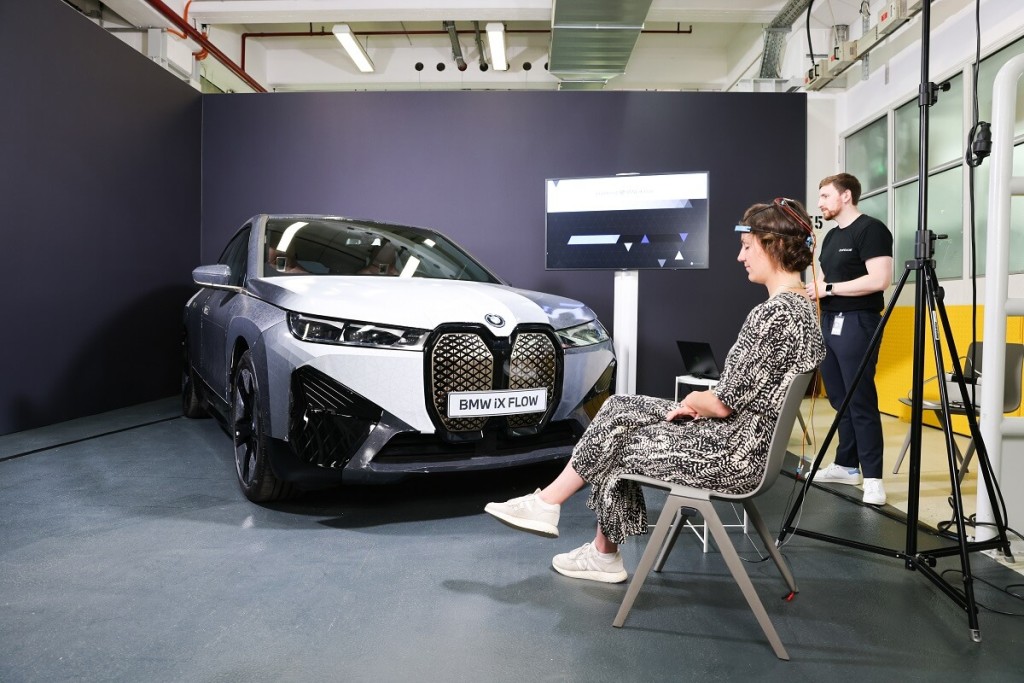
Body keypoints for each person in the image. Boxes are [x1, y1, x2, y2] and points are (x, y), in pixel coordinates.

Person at [484, 198, 826, 583]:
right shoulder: (801, 310)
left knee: (617, 441)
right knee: (619, 407)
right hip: (745, 442)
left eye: (747, 246)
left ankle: (591, 543)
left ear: (773, 245)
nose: (740, 256)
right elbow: (742, 395)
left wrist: (694, 402)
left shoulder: (773, 314)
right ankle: (553, 509)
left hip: (733, 455)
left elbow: (721, 404)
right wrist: (702, 405)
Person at [806, 173, 893, 506]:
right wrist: (814, 290)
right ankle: (846, 465)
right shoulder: (831, 237)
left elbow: (880, 279)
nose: (820, 203)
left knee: (860, 399)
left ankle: (873, 478)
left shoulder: (871, 229)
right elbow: (824, 279)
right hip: (829, 320)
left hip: (858, 321)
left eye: (825, 196)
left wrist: (828, 289)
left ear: (846, 196)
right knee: (840, 398)